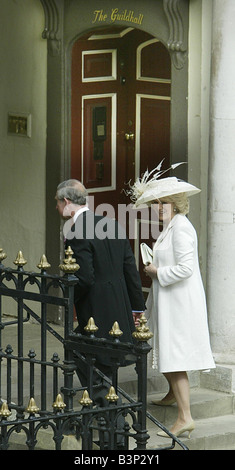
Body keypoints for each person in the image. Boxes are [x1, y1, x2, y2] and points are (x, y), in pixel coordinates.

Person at [127, 163, 215, 439]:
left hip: (179, 304)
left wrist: (156, 272)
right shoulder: (170, 228)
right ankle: (172, 394)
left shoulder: (182, 229)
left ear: (176, 205)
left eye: (164, 203)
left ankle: (184, 417)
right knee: (160, 348)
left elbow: (187, 269)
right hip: (167, 300)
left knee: (174, 357)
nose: (159, 207)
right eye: (157, 203)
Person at [55, 179, 145, 447]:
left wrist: (68, 299)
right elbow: (130, 269)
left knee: (97, 377)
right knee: (108, 372)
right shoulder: (111, 224)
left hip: (95, 312)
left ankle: (114, 435)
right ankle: (106, 425)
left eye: (57, 202)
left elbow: (83, 278)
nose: (57, 207)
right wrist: (136, 307)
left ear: (66, 202)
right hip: (119, 311)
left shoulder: (77, 230)